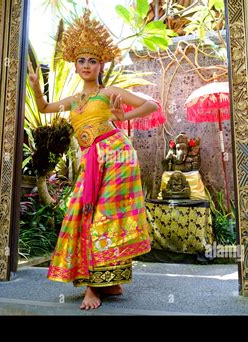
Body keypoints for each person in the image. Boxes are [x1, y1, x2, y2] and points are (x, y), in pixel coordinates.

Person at [27, 10, 157, 310]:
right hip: (91, 161)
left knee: (102, 217)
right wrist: (35, 85)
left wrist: (125, 116)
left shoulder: (108, 92)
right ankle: (109, 282)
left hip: (116, 156)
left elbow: (151, 104)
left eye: (92, 60)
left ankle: (92, 288)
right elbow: (45, 107)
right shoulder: (74, 101)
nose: (87, 65)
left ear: (102, 64)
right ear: (75, 65)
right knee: (83, 213)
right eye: (82, 60)